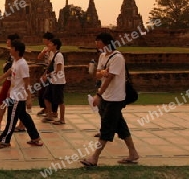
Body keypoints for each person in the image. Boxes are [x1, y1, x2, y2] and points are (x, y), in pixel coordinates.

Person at [80, 32, 139, 167]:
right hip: (107, 96)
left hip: (116, 98)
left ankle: (94, 158)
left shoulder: (117, 58)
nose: (96, 44)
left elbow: (109, 78)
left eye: (98, 42)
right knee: (121, 127)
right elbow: (98, 75)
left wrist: (99, 94)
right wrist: (101, 73)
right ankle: (133, 153)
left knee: (106, 126)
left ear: (105, 42)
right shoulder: (102, 56)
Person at [0, 40, 43, 149]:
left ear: (16, 50)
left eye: (11, 48)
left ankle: (5, 140)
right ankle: (35, 137)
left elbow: (27, 82)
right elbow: (10, 72)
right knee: (24, 117)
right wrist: (0, 79)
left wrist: (29, 98)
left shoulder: (23, 64)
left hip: (18, 97)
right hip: (13, 95)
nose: (9, 49)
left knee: (11, 119)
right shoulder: (16, 61)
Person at [0, 34, 25, 132]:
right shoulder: (12, 55)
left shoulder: (17, 58)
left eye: (8, 41)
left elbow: (15, 72)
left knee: (15, 105)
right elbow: (10, 70)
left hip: (12, 83)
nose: (6, 42)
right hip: (8, 81)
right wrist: (0, 79)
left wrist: (10, 87)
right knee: (4, 102)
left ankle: (20, 125)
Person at [43, 38, 66, 125]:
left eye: (51, 43)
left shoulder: (59, 55)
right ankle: (50, 115)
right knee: (46, 97)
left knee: (60, 101)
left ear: (55, 45)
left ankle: (62, 119)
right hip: (53, 81)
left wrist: (47, 75)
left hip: (58, 81)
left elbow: (59, 70)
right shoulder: (54, 54)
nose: (49, 45)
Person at [36, 32, 54, 116]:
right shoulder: (45, 48)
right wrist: (44, 52)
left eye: (45, 39)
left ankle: (50, 111)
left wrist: (45, 74)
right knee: (42, 91)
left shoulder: (53, 50)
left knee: (48, 92)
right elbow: (39, 57)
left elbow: (51, 64)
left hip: (50, 73)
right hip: (46, 71)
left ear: (49, 40)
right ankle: (45, 108)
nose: (43, 40)